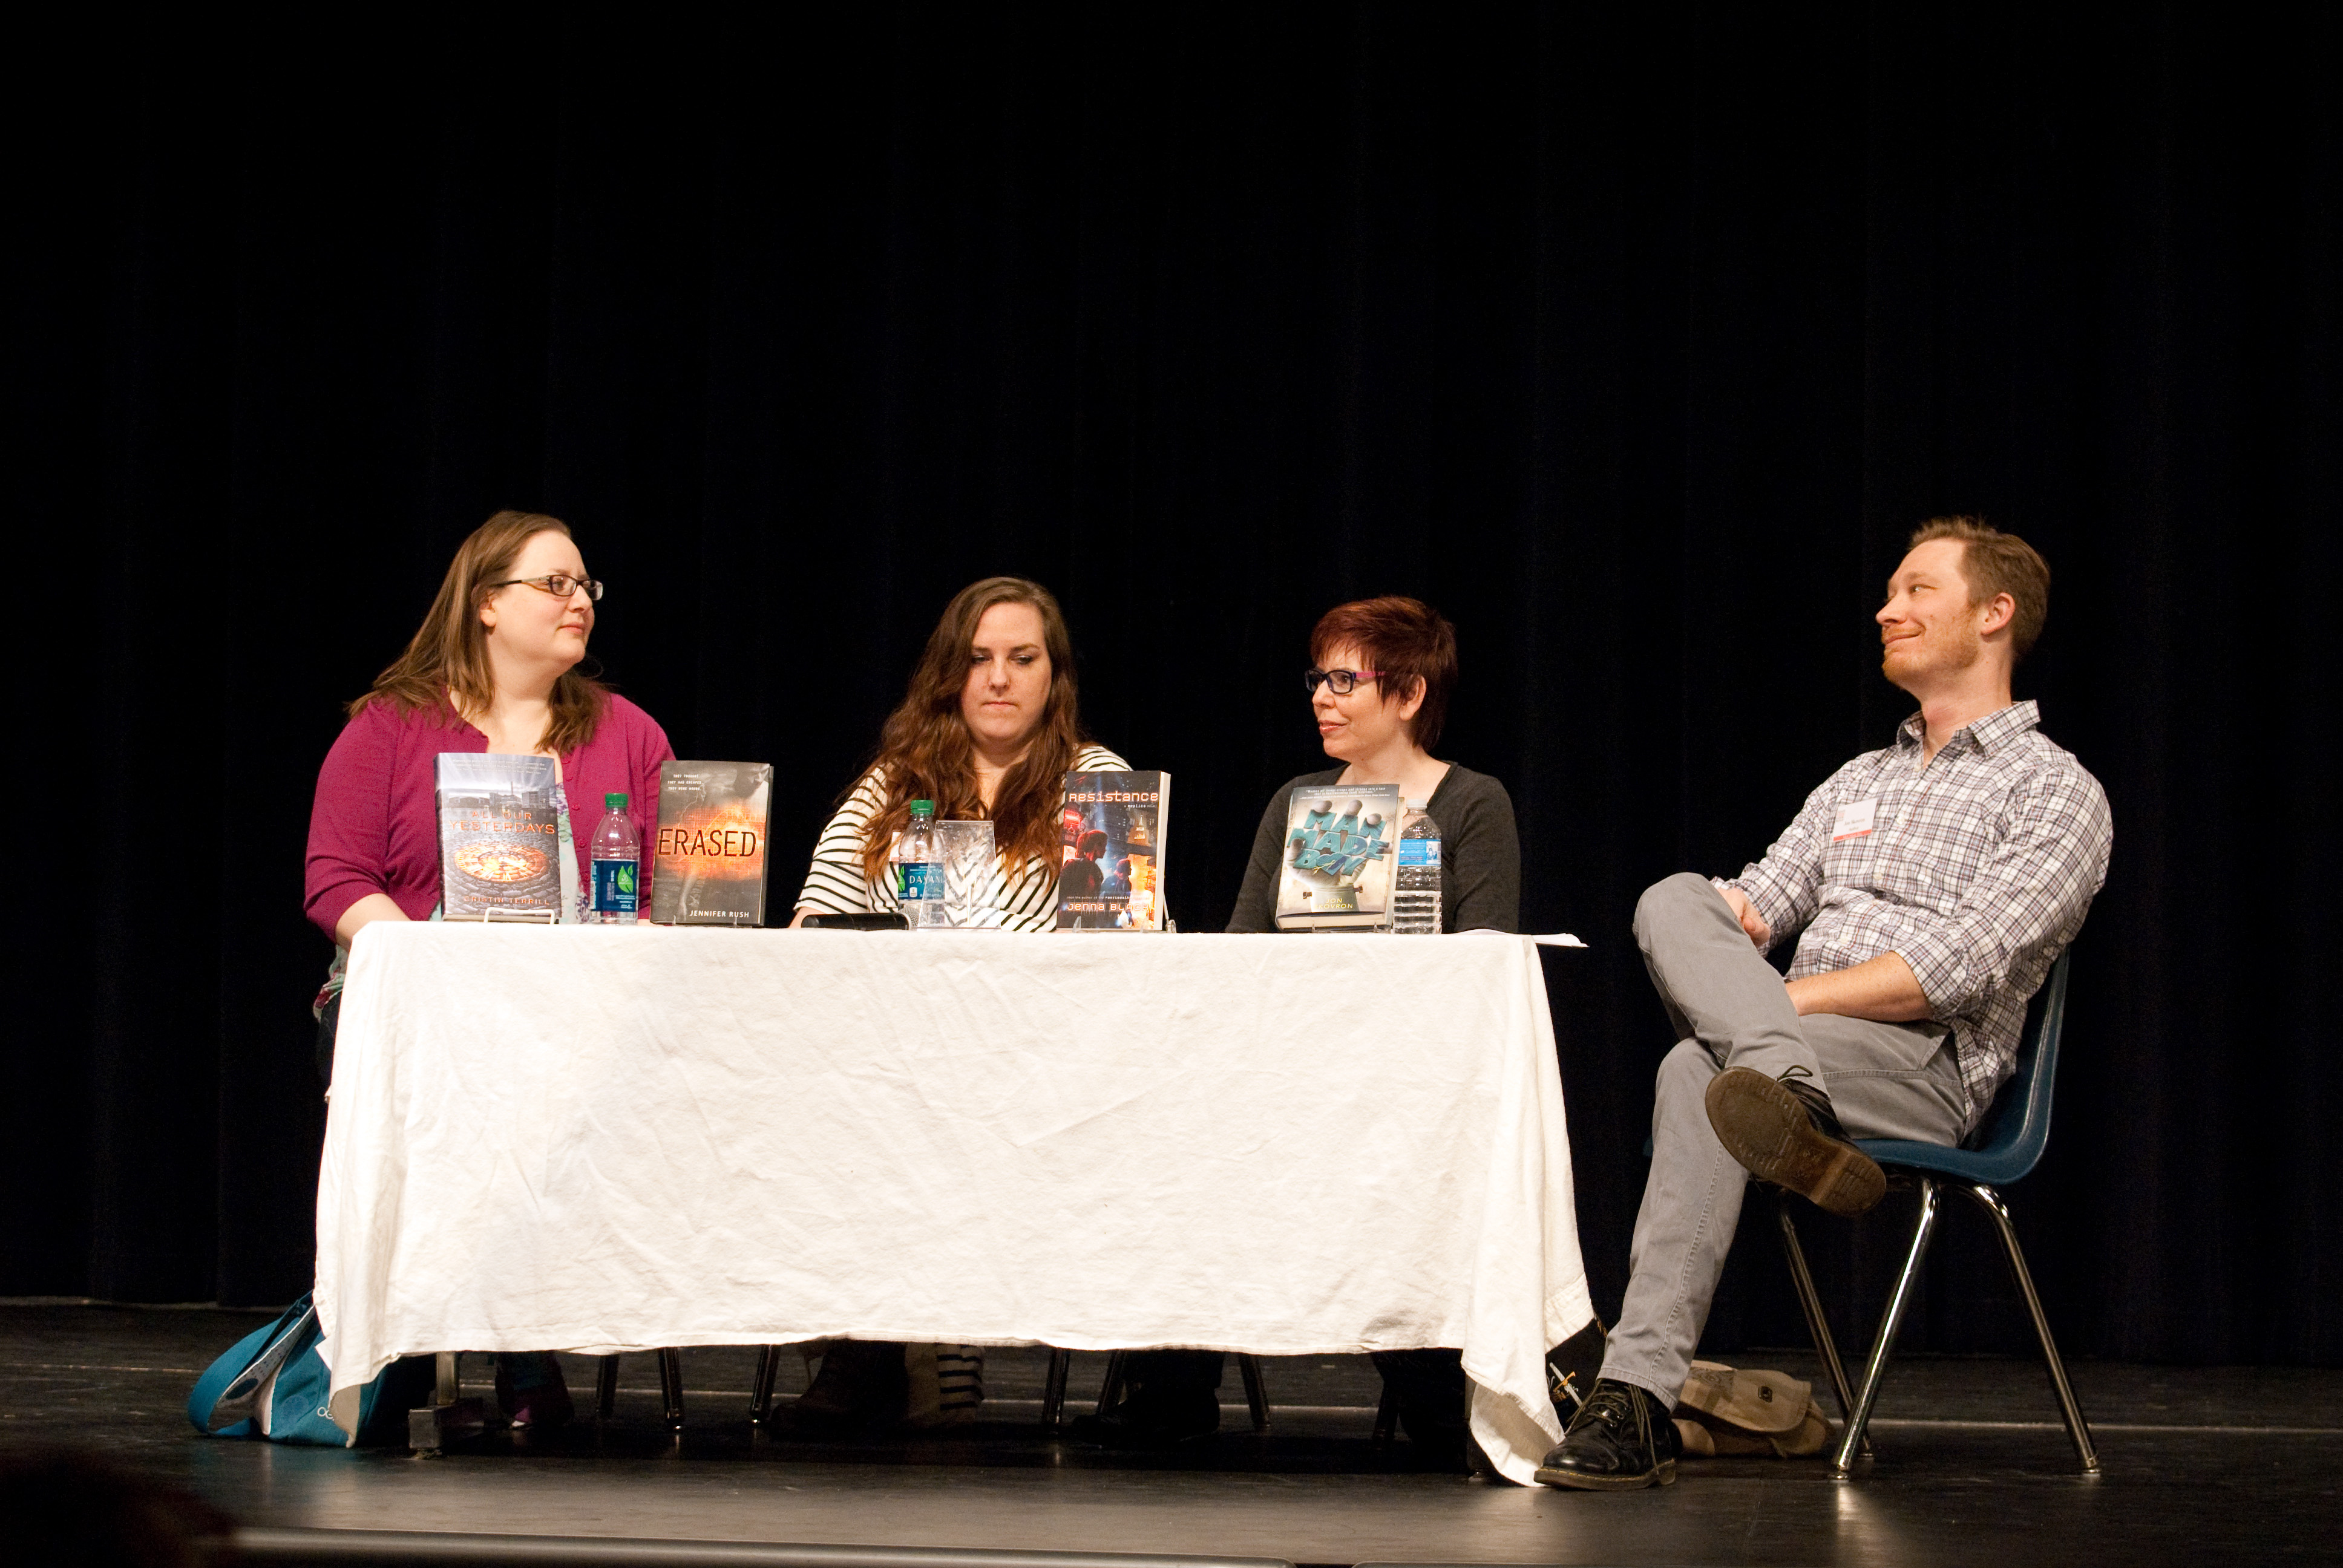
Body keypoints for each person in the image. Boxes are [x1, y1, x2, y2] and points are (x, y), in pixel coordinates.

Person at [1536, 518, 2112, 1491]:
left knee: (1695, 1065)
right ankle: (1784, 1093)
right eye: (1890, 593)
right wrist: (1719, 927)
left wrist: (1772, 1009)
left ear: (1995, 614)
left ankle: (1634, 1399)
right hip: (1795, 1046)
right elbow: (1760, 899)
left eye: (1917, 590)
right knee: (1673, 898)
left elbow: (1959, 964)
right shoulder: (1859, 780)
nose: (1887, 610)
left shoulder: (2057, 790)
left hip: (1920, 1062)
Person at [1089, 595, 1520, 1460]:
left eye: (1345, 680)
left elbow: (1484, 973)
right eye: (1318, 678)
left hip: (1408, 1083)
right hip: (1286, 1070)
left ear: (1409, 694)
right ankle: (1174, 1389)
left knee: (1386, 1160)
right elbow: (1245, 950)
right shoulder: (1298, 801)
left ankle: (1434, 1385)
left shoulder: (1471, 803)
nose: (1322, 696)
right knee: (1181, 1130)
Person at [304, 509, 675, 1431]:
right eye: (554, 583)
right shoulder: (392, 727)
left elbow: (667, 892)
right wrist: (429, 972)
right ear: (485, 604)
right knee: (474, 1072)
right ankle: (487, 1351)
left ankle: (517, 1339)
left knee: (557, 1073)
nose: (579, 601)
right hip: (412, 999)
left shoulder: (629, 735)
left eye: (585, 585)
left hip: (574, 1008)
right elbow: (336, 878)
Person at [787, 575, 1128, 1426]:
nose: (1000, 678)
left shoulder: (1095, 782)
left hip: (1046, 1069)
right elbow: (813, 925)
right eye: (978, 659)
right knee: (851, 1100)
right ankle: (874, 1348)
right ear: (950, 674)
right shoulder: (894, 784)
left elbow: (1133, 947)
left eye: (1023, 658)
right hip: (896, 1063)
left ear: (1055, 677)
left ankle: (925, 1338)